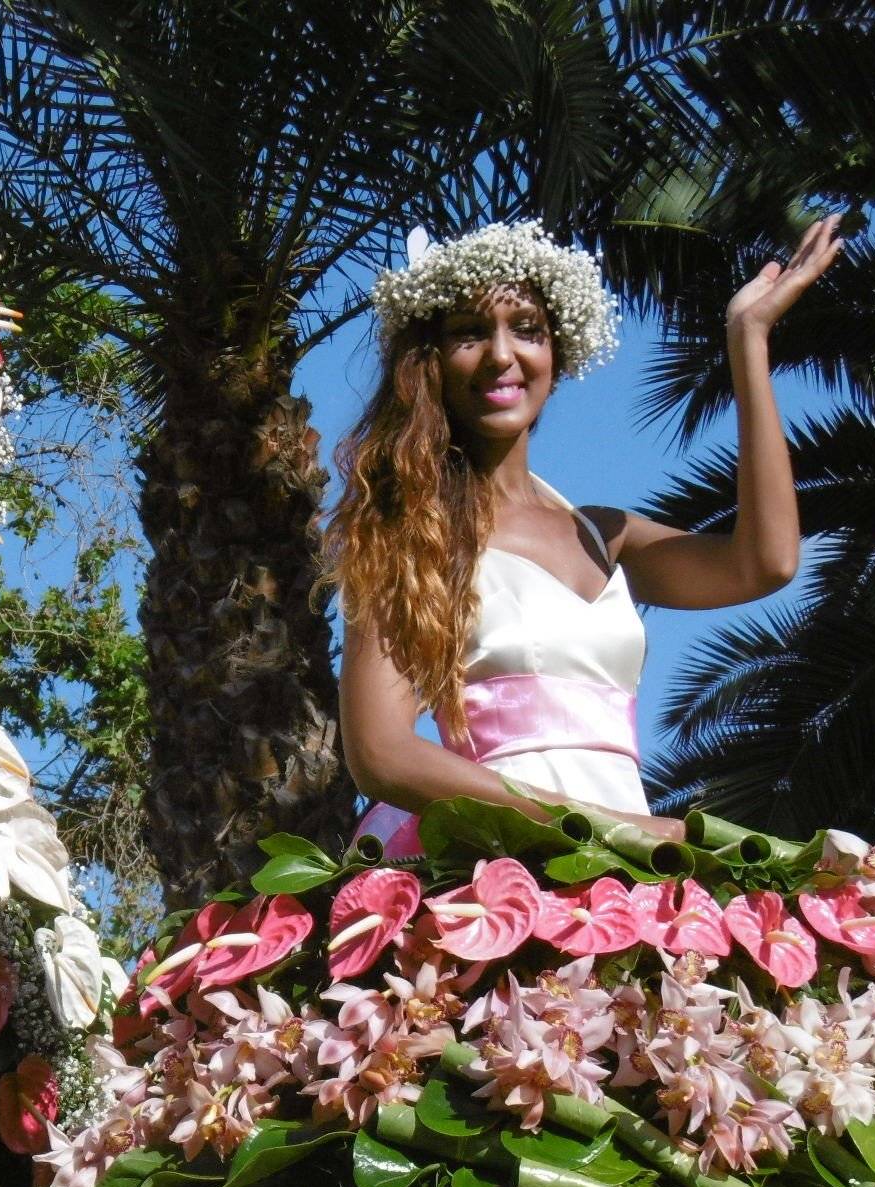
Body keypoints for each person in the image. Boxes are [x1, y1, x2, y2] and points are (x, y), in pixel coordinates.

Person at [320, 214, 844, 858]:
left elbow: (763, 563)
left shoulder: (603, 534)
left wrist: (749, 339)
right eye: (469, 334)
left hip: (635, 865)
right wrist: (601, 827)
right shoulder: (413, 535)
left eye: (528, 330)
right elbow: (382, 753)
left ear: (558, 352)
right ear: (429, 363)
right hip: (502, 866)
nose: (502, 354)